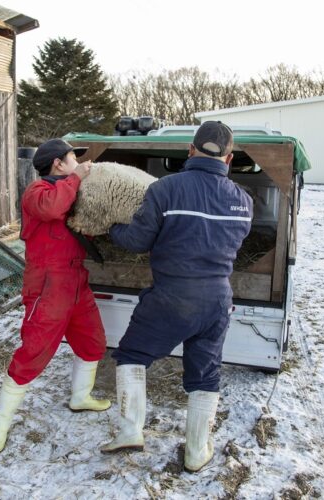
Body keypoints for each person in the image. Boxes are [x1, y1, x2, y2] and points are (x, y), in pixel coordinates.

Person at [99, 121, 253, 472]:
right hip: (217, 300)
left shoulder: (165, 189)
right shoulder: (243, 201)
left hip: (172, 296)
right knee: (205, 374)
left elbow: (138, 241)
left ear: (190, 150)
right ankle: (198, 451)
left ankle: (130, 431)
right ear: (228, 159)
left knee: (132, 355)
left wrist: (111, 225)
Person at [0, 139, 110, 454]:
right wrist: (78, 176)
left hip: (76, 280)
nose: (76, 163)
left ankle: (80, 397)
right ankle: (0, 426)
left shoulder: (70, 191)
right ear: (58, 163)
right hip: (48, 284)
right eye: (72, 158)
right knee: (34, 351)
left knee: (93, 343)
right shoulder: (37, 193)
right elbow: (52, 207)